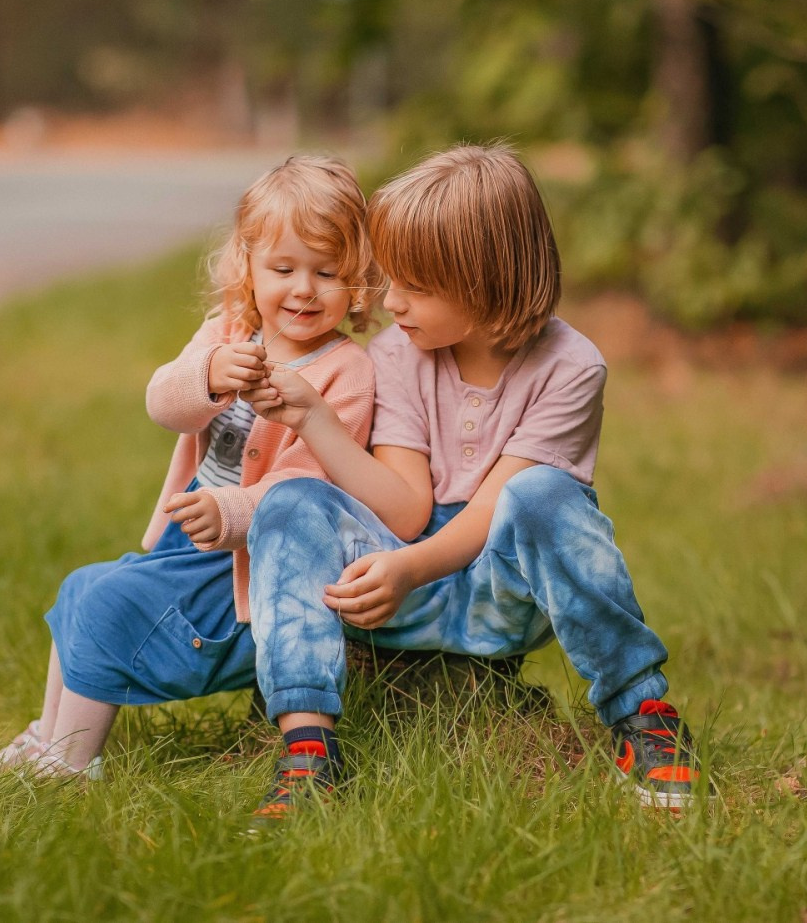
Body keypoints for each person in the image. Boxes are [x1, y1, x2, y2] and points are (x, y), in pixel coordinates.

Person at [239, 143, 702, 826]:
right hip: (402, 585)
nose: (389, 302)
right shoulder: (398, 351)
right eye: (391, 279)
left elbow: (496, 505)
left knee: (542, 494)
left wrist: (409, 567)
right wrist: (316, 422)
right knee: (289, 502)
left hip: (504, 593)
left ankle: (642, 710)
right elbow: (403, 502)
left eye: (415, 287)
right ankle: (309, 745)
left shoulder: (571, 367)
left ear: (487, 285)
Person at [0, 155, 379, 778]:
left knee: (111, 606)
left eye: (326, 272)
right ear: (248, 267)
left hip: (243, 570)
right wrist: (208, 377)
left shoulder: (346, 372)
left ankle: (69, 764)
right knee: (82, 587)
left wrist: (228, 512)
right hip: (185, 541)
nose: (303, 289)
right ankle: (47, 735)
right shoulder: (229, 330)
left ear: (356, 280)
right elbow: (163, 404)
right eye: (283, 268)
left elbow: (306, 488)